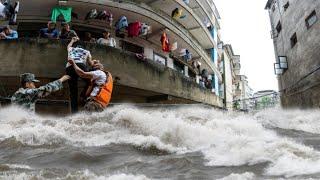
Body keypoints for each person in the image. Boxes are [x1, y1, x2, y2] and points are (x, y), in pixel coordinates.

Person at [66, 37, 94, 113]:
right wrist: (95, 62)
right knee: (90, 82)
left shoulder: (71, 49)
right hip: (81, 65)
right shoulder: (87, 51)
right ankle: (83, 96)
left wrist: (72, 40)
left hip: (70, 67)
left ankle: (74, 112)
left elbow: (69, 45)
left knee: (73, 91)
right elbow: (91, 63)